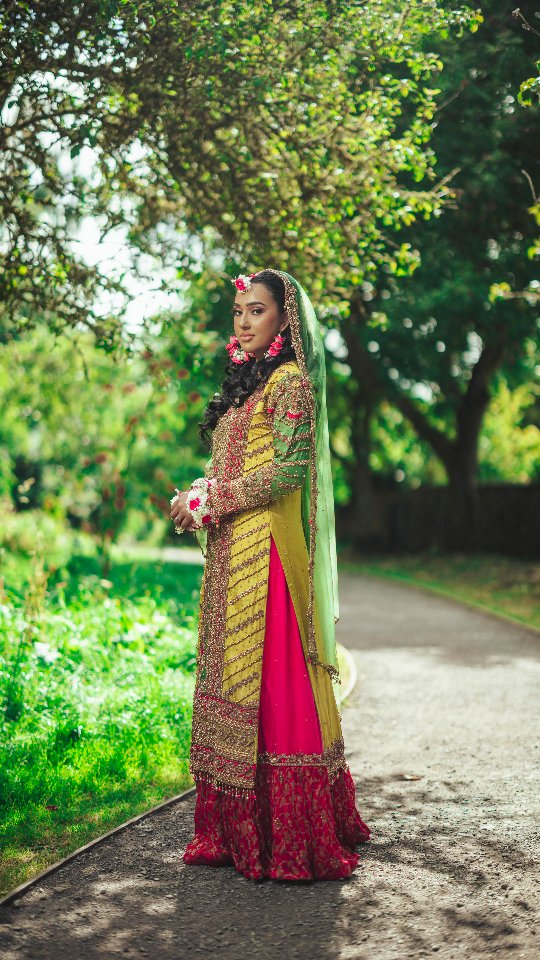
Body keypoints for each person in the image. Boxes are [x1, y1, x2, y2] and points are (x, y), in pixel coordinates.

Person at [169, 268, 370, 882]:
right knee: (230, 681)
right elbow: (239, 465)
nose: (244, 321)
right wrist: (202, 494)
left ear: (285, 320)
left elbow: (285, 474)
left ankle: (289, 836)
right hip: (232, 551)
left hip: (271, 560)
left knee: (274, 686)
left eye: (257, 310)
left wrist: (210, 500)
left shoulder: (291, 387)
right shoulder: (247, 388)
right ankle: (233, 831)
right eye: (239, 312)